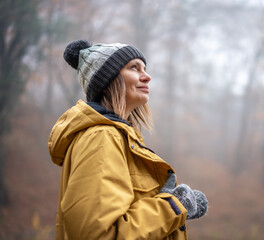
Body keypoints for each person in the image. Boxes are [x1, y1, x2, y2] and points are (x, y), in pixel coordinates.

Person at [48, 40, 208, 240]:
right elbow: (97, 234)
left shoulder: (119, 138)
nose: (147, 76)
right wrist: (174, 206)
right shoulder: (102, 137)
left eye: (145, 68)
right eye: (134, 67)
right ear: (108, 80)